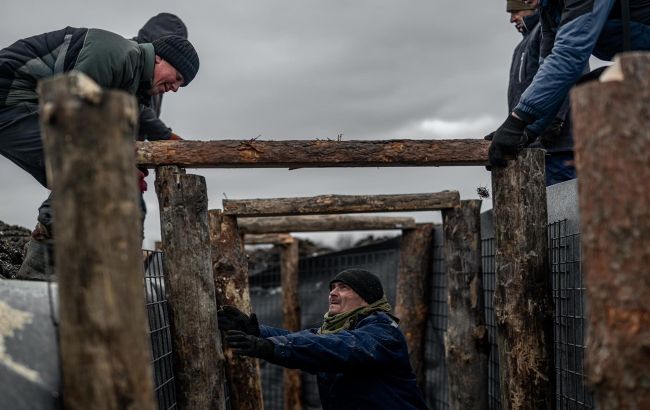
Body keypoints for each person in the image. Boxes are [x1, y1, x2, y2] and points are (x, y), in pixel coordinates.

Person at [0, 26, 199, 279]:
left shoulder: (132, 84)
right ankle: (38, 278)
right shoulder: (117, 53)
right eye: (178, 77)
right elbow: (71, 112)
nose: (175, 88)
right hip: (10, 98)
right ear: (161, 58)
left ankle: (70, 271)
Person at [218, 268, 429, 410]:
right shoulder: (337, 330)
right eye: (332, 288)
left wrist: (269, 348)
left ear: (367, 297)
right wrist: (258, 333)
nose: (333, 293)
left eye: (343, 287)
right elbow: (305, 339)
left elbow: (335, 347)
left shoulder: (383, 333)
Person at [488, 0, 650, 168]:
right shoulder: (552, 11)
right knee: (589, 88)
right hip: (638, 64)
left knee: (597, 93)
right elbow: (550, 69)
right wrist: (525, 132)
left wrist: (517, 121)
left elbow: (569, 55)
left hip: (640, 67)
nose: (522, 1)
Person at [499, 0, 576, 185]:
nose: (512, 19)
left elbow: (565, 72)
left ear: (531, 7)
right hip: (534, 146)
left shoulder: (547, 30)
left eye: (516, 11)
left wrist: (555, 122)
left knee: (564, 209)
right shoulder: (523, 45)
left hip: (558, 147)